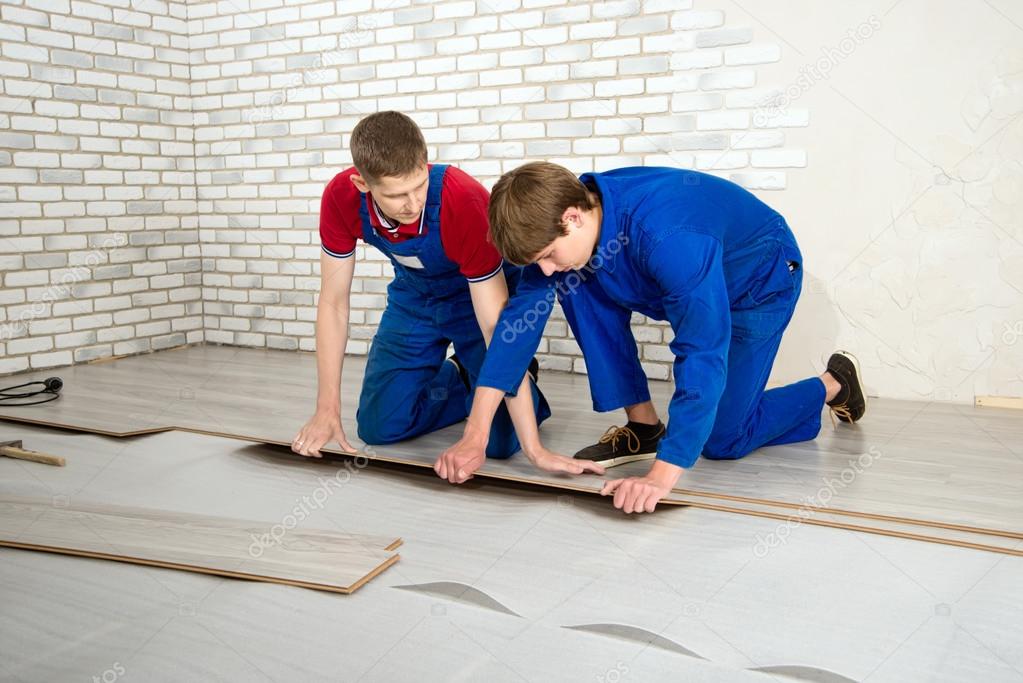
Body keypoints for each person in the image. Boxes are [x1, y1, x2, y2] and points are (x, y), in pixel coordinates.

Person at [435, 162, 866, 513]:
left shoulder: (671, 237)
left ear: (573, 217)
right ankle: (644, 427)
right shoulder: (571, 218)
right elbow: (515, 329)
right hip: (684, 273)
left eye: (547, 255)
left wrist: (664, 473)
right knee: (576, 286)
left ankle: (832, 385)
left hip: (757, 281)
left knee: (721, 439)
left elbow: (702, 349)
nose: (545, 269)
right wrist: (476, 432)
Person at [292, 113, 599, 479]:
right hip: (413, 297)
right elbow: (333, 304)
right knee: (379, 427)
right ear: (362, 183)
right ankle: (461, 376)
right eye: (396, 195)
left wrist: (534, 450)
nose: (413, 204)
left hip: (475, 299)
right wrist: (326, 407)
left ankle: (509, 384)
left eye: (419, 186)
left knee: (500, 443)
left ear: (425, 164)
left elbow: (493, 329)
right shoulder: (341, 198)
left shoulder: (464, 201)